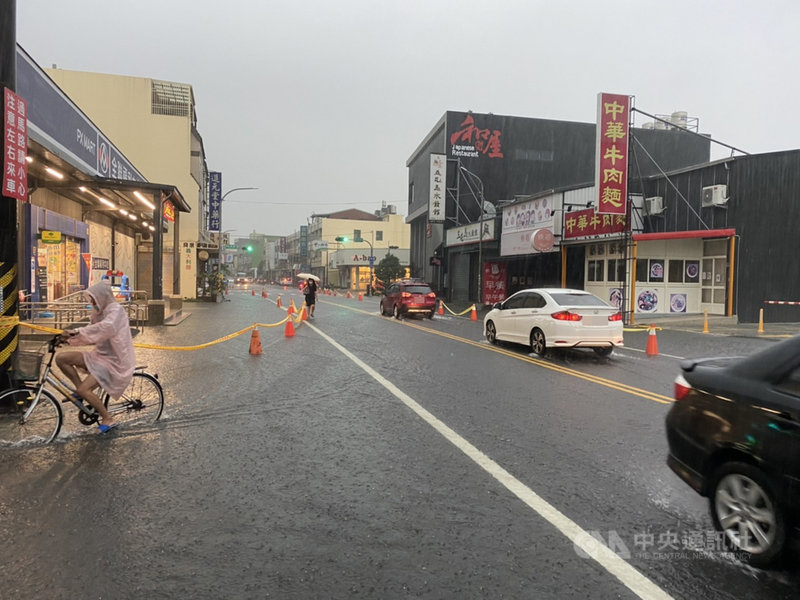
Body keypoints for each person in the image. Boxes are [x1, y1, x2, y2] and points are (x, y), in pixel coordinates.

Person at [56, 281, 136, 433]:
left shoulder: (115, 310)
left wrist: (75, 332)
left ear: (102, 296)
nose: (92, 301)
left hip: (114, 361)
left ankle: (108, 418)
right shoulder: (98, 311)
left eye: (93, 298)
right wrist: (68, 338)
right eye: (91, 298)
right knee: (62, 358)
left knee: (84, 390)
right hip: (99, 356)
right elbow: (90, 332)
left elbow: (105, 328)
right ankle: (80, 393)